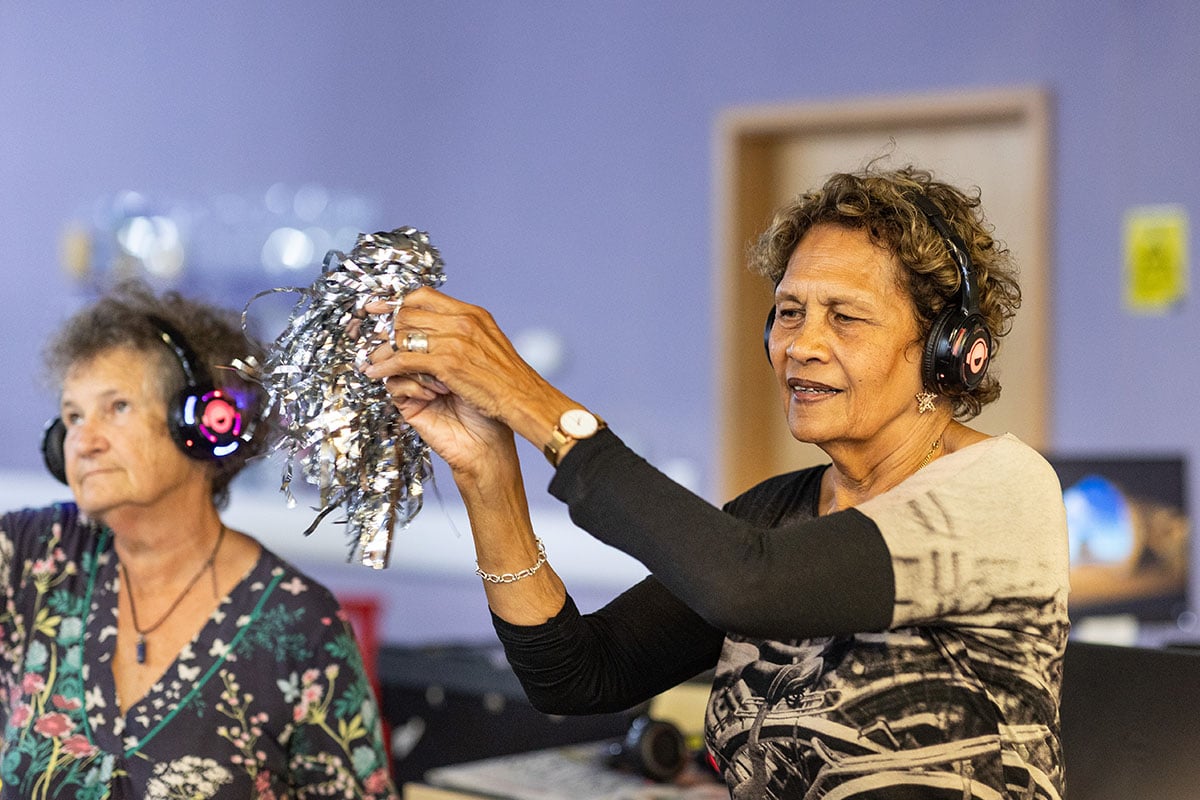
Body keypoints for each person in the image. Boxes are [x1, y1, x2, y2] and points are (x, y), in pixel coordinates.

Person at [363, 165, 1070, 799]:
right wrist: (488, 471)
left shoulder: (1003, 489)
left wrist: (531, 399)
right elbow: (579, 674)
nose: (802, 345)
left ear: (949, 350)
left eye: (846, 317)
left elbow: (749, 586)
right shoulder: (779, 513)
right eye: (789, 312)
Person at [0, 282, 397, 799]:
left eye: (117, 407)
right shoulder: (30, 555)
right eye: (73, 416)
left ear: (206, 422)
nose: (84, 441)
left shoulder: (301, 626)